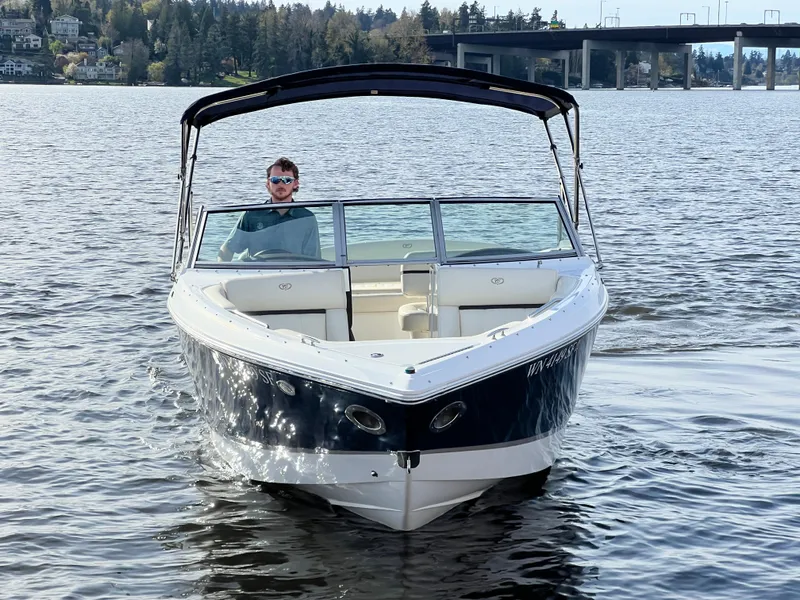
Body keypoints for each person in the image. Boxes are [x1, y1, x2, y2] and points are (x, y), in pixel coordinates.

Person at [217, 157, 321, 261]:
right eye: (275, 180)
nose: (280, 184)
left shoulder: (307, 218)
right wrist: (221, 272)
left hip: (293, 275)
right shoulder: (251, 215)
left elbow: (313, 260)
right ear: (268, 183)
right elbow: (227, 249)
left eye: (287, 180)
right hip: (258, 274)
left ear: (295, 184)